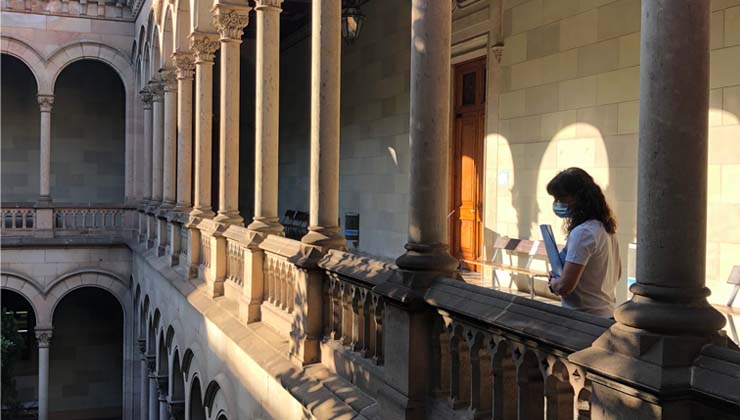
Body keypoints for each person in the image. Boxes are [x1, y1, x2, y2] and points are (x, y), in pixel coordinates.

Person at [545, 167, 621, 317]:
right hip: (606, 314)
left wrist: (553, 283)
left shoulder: (583, 232)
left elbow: (565, 287)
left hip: (583, 318)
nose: (557, 203)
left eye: (560, 198)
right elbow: (617, 273)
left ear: (577, 198)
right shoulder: (605, 227)